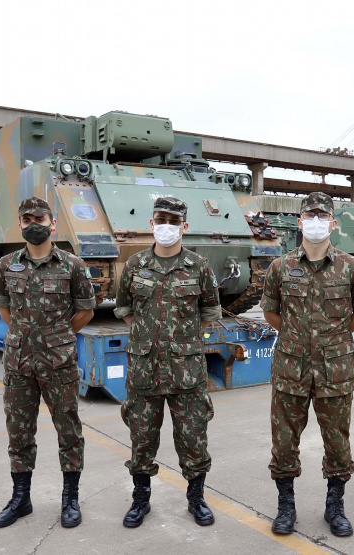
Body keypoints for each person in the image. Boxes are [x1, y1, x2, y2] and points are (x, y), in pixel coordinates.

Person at [260, 191, 354, 538]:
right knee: (283, 442)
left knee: (337, 442)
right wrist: (299, 337)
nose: (315, 222)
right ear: (299, 222)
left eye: (322, 216)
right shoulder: (281, 267)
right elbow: (270, 311)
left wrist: (330, 339)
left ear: (333, 223)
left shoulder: (352, 267)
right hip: (290, 369)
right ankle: (286, 507)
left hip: (334, 371)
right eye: (309, 216)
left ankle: (335, 506)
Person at [114, 196, 222, 528]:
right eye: (161, 220)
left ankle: (196, 499)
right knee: (142, 437)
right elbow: (124, 308)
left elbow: (209, 313)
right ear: (152, 224)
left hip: (186, 370)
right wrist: (147, 337)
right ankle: (140, 500)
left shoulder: (199, 266)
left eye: (174, 222)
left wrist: (184, 342)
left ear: (184, 227)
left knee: (193, 437)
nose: (167, 227)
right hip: (144, 368)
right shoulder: (135, 265)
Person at [0, 197, 96, 529]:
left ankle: (70, 498)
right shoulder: (6, 265)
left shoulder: (72, 266)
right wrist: (28, 336)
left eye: (40, 217)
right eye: (26, 218)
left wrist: (57, 335)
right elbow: (5, 310)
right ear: (19, 224)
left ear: (53, 224)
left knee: (68, 430)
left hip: (58, 362)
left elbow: (85, 312)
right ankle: (21, 499)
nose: (33, 223)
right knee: (19, 431)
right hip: (18, 362)